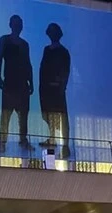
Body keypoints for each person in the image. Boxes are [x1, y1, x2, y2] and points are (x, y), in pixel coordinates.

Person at [0, 15, 33, 152]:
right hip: (10, 83)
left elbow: (28, 64)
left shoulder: (24, 45)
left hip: (22, 84)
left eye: (20, 23)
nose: (18, 26)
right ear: (11, 24)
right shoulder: (5, 40)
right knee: (5, 114)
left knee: (23, 115)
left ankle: (23, 140)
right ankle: (2, 142)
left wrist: (31, 82)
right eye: (16, 23)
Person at [38, 23, 71, 157]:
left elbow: (66, 71)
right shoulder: (47, 50)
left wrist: (62, 85)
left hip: (57, 89)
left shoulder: (63, 52)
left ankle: (66, 145)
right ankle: (52, 138)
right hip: (46, 89)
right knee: (49, 114)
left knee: (62, 116)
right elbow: (43, 69)